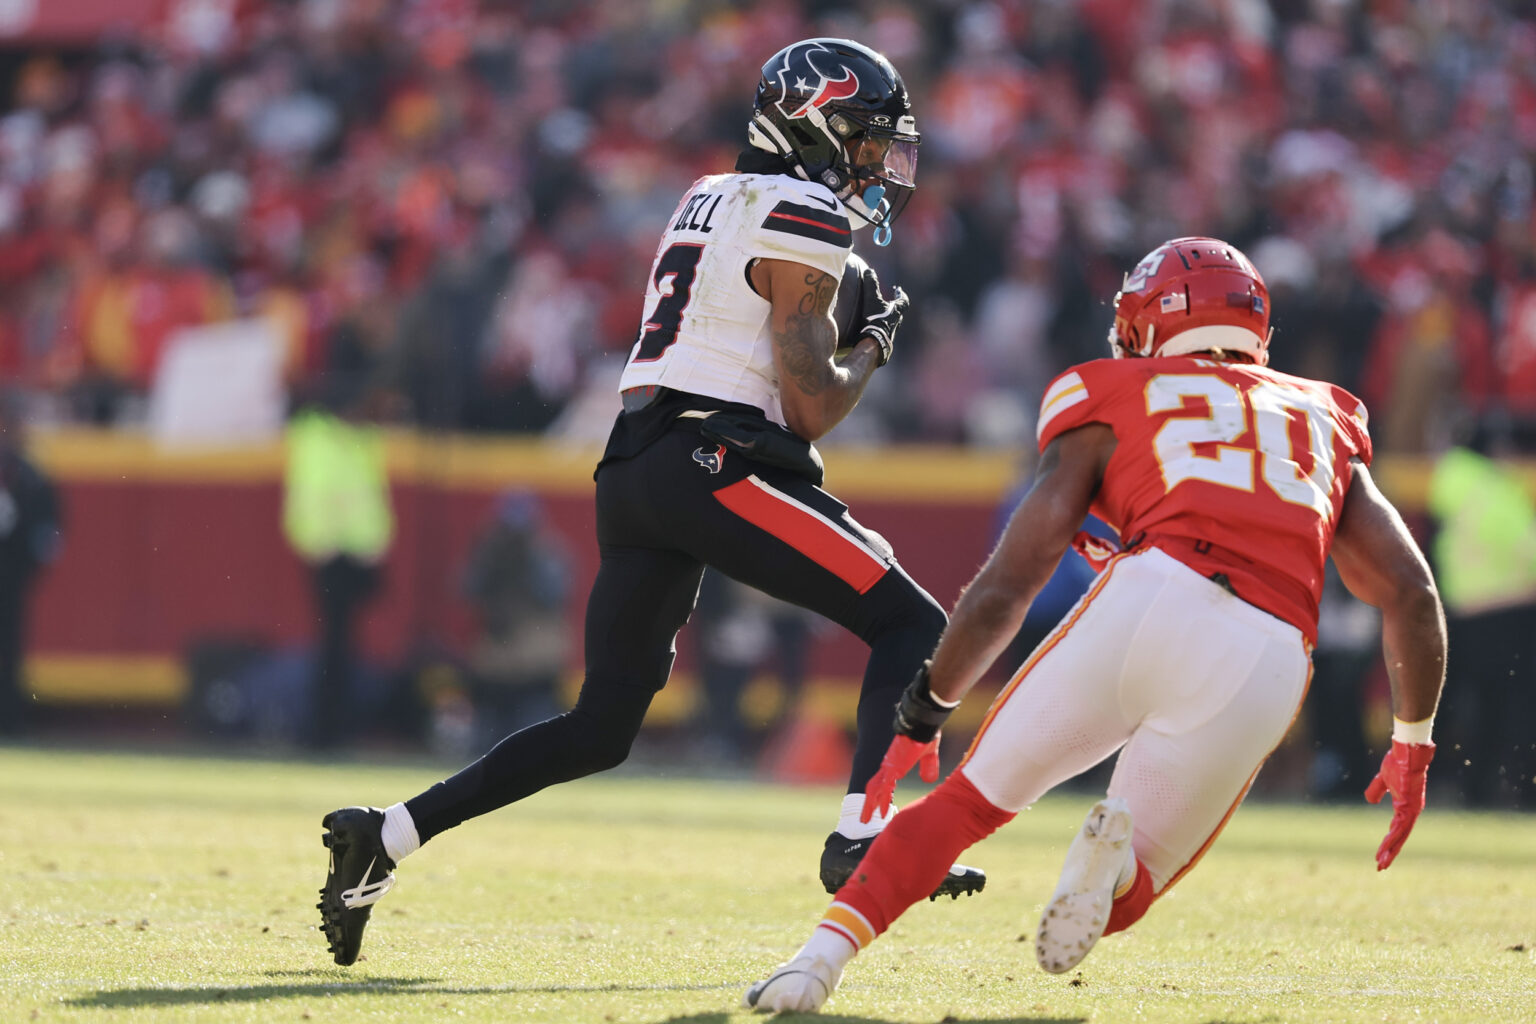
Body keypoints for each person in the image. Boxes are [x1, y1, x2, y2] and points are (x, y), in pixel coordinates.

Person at [316, 38, 984, 968]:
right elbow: (811, 405)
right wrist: (870, 341)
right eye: (865, 140)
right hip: (713, 459)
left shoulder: (707, 193)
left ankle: (383, 836)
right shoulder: (806, 210)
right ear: (813, 125)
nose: (876, 162)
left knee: (602, 725)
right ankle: (862, 839)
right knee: (914, 624)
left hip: (633, 465)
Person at [744, 236, 1447, 1013]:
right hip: (1269, 647)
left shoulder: (1109, 388)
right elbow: (1411, 592)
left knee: (962, 808)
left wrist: (923, 710)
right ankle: (1110, 868)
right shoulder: (1325, 413)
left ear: (1150, 321)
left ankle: (813, 966)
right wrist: (1413, 746)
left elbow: (1013, 578)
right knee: (1137, 890)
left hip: (1151, 593)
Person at [282, 375, 395, 751]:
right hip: (332, 556)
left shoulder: (348, 440)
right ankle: (325, 728)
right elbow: (318, 498)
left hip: (350, 554)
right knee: (335, 645)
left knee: (341, 645)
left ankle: (332, 727)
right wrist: (325, 544)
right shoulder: (325, 441)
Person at [460, 490, 573, 746]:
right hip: (494, 671)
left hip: (535, 671)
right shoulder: (490, 553)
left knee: (534, 744)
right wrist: (491, 562)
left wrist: (527, 562)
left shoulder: (548, 554)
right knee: (486, 747)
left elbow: (553, 596)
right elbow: (466, 590)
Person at [0, 393, 62, 736]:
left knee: (11, 649)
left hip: (11, 575)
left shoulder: (30, 475)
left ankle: (9, 721)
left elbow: (48, 526)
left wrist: (30, 564)